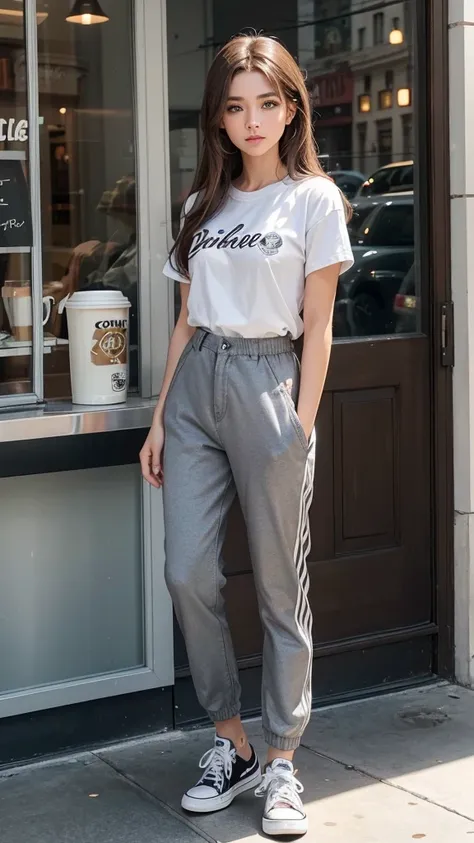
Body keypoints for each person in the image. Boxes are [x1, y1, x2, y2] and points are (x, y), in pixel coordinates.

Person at [140, 33, 353, 838]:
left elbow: (321, 327)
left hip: (272, 378)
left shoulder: (313, 200)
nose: (251, 119)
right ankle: (231, 740)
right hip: (198, 384)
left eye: (266, 103)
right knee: (188, 570)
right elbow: (186, 320)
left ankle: (285, 756)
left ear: (291, 107)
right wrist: (162, 415)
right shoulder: (203, 206)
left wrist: (300, 426)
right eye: (235, 107)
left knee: (276, 583)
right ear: (220, 121)